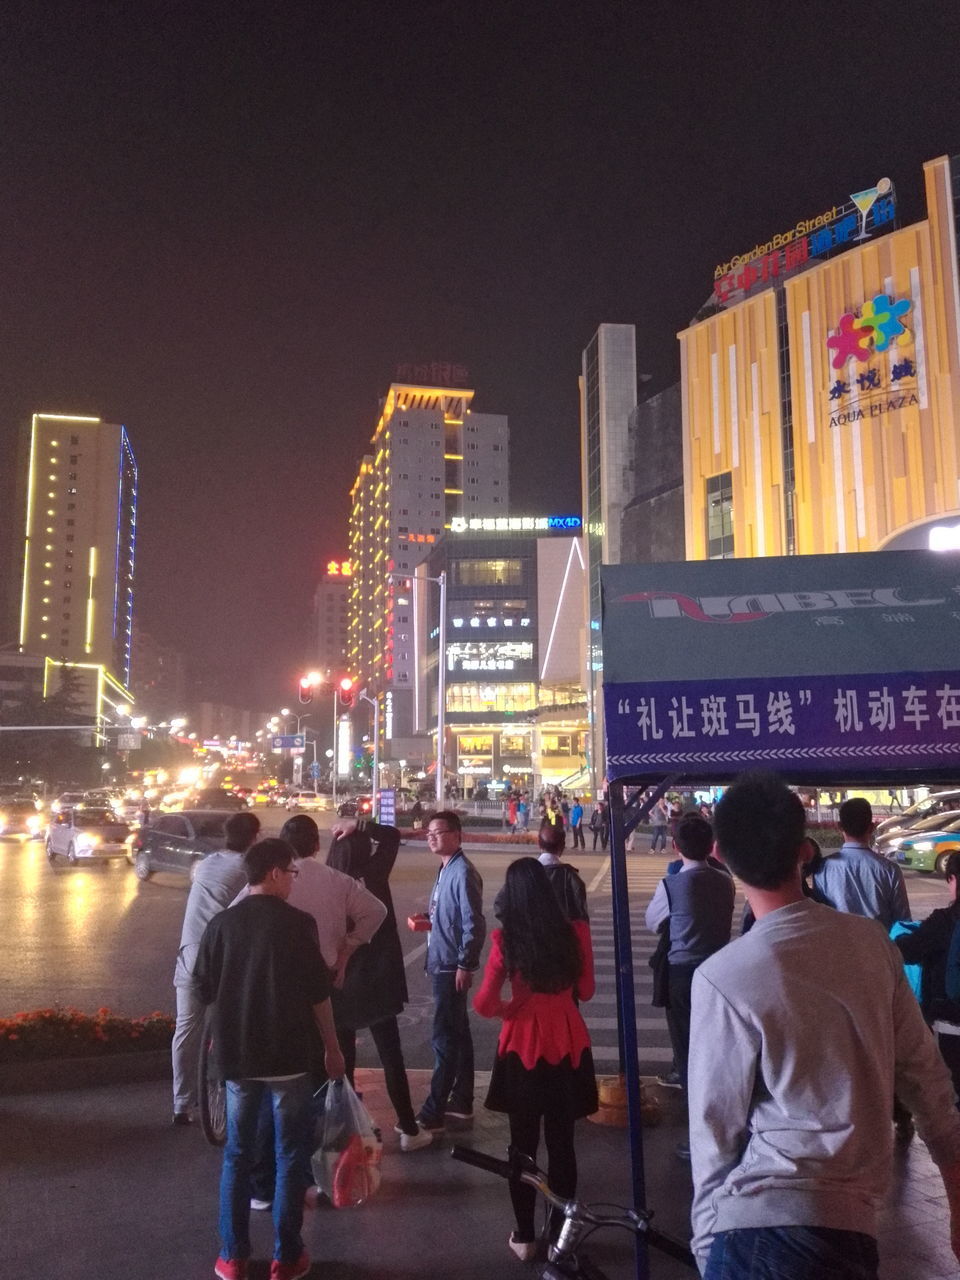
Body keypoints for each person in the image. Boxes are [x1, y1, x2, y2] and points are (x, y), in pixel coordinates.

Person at [689, 771, 960, 1279]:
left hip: (755, 1230)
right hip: (853, 1230)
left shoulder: (723, 977)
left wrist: (708, 1251)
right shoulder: (874, 946)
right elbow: (926, 1075)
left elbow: (714, 1134)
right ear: (805, 850)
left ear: (720, 855)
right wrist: (956, 1191)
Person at [194, 837, 346, 1280]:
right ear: (276, 873)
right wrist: (332, 1049)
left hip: (238, 1058)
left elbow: (202, 988)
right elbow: (319, 993)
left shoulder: (222, 924)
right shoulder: (299, 924)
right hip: (291, 1057)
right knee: (288, 1155)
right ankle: (286, 1255)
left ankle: (233, 1256)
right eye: (291, 874)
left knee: (238, 1155)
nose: (294, 882)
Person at [235, 814, 386, 1207]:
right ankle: (326, 1175)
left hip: (274, 997)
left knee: (275, 1094)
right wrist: (349, 946)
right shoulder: (335, 880)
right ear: (315, 846)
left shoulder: (265, 887)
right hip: (325, 986)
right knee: (326, 1088)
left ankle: (266, 1187)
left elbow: (234, 919)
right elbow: (376, 911)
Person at [474, 857, 598, 1261]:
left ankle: (525, 1237)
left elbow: (484, 1003)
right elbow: (588, 989)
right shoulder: (575, 932)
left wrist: (510, 1008)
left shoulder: (506, 940)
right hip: (567, 1040)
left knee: (522, 1146)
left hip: (522, 1046)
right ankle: (561, 1239)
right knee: (562, 1144)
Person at [326, 816, 432, 1151]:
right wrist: (360, 824)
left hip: (340, 982)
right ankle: (409, 1129)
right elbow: (390, 836)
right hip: (377, 981)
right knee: (391, 1056)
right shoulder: (372, 875)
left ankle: (348, 1130)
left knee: (343, 1061)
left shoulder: (328, 884)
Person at [170, 810, 261, 1125]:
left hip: (190, 952)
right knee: (235, 1024)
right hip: (222, 955)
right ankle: (233, 1093)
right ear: (254, 837)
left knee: (186, 1029)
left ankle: (182, 1104)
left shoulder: (207, 863)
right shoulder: (248, 871)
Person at [645, 814, 734, 1117]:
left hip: (682, 975)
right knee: (713, 1045)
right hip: (718, 972)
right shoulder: (725, 881)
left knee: (685, 1048)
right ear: (711, 845)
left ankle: (695, 1120)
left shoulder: (672, 885)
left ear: (674, 845)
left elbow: (653, 922)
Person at [417, 811, 486, 1133]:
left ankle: (433, 1112)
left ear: (457, 835)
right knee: (458, 1034)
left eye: (439, 832)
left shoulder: (462, 872)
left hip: (450, 965)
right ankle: (461, 1100)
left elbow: (474, 922)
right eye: (429, 833)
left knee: (444, 1037)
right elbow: (453, 916)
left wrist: (465, 964)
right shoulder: (446, 869)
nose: (432, 837)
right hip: (442, 958)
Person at [894, 851, 960, 1097]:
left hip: (951, 1026)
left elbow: (907, 952)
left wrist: (899, 937)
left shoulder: (943, 921)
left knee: (952, 1094)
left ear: (953, 879)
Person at [811, 796, 911, 931]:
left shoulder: (823, 869)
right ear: (872, 827)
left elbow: (819, 917)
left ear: (839, 826)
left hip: (839, 947)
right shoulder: (890, 870)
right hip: (879, 948)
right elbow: (903, 923)